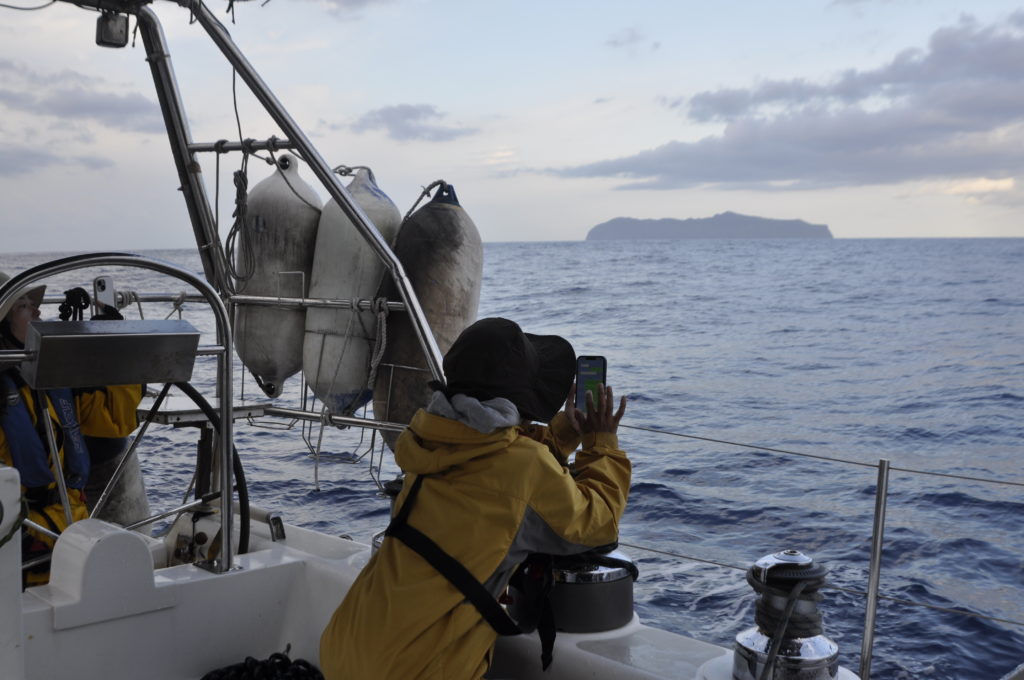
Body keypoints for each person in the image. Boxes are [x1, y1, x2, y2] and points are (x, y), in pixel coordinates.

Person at [320, 317, 630, 679]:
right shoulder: (522, 466)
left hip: (347, 645)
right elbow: (599, 524)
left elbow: (498, 468)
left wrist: (562, 432)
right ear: (521, 396)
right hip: (414, 670)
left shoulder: (431, 439)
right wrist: (600, 443)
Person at [0, 271, 143, 585]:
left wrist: (111, 343)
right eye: (23, 306)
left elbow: (116, 420)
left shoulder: (52, 380)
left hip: (71, 533)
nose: (37, 311)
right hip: (21, 543)